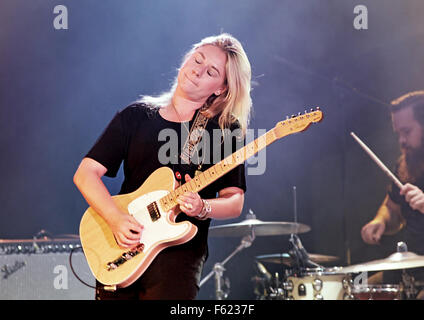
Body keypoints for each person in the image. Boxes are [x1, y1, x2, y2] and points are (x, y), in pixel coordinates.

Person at [73, 33, 253, 300]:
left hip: (177, 259)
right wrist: (115, 218)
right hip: (123, 247)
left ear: (221, 89)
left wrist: (204, 207)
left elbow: (234, 200)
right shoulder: (136, 116)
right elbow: (85, 174)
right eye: (197, 60)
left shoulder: (225, 131)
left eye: (210, 71)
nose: (197, 71)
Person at [361, 91, 424, 298]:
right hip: (410, 268)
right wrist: (381, 221)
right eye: (398, 133)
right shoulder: (405, 165)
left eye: (407, 131)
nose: (402, 140)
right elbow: (392, 209)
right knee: (361, 291)